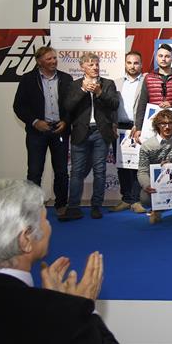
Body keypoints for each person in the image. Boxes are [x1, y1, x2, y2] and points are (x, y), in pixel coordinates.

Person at [0, 179, 118, 344]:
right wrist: (80, 310)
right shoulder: (57, 318)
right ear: (25, 239)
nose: (49, 226)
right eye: (45, 220)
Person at [12, 45, 73, 217]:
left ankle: (61, 205)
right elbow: (19, 106)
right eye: (49, 59)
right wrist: (35, 122)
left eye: (54, 58)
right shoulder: (28, 79)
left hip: (60, 131)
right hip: (37, 132)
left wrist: (66, 121)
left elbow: (72, 105)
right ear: (39, 61)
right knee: (34, 171)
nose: (53, 61)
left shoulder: (66, 78)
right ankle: (33, 209)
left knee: (61, 171)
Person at [61, 53, 120, 222]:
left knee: (100, 171)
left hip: (100, 132)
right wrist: (82, 91)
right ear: (82, 67)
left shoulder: (108, 83)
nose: (95, 67)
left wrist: (99, 92)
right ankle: (73, 208)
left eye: (96, 64)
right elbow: (68, 107)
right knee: (76, 172)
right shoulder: (74, 85)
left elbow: (114, 104)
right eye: (91, 65)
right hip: (81, 133)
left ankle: (96, 206)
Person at [111, 51, 146, 214]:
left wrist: (139, 125)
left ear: (141, 64)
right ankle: (126, 198)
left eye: (136, 63)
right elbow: (111, 106)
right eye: (129, 62)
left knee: (138, 165)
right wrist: (113, 124)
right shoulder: (116, 83)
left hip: (138, 128)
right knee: (123, 165)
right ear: (125, 64)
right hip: (119, 128)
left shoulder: (146, 81)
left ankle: (137, 200)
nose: (132, 66)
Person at [132, 43, 172, 143]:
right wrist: (139, 127)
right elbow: (142, 104)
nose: (163, 59)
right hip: (152, 126)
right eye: (160, 56)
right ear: (156, 58)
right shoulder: (148, 78)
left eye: (167, 56)